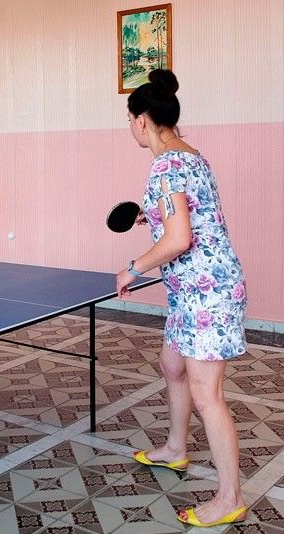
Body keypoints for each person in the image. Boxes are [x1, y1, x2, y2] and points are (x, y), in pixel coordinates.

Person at [116, 69, 247, 528]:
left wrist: (134, 267)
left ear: (142, 120)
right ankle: (175, 448)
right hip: (192, 291)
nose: (130, 126)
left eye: (129, 119)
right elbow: (188, 216)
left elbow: (179, 238)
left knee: (208, 394)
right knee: (172, 365)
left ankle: (229, 497)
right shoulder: (190, 156)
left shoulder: (165, 166)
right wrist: (150, 217)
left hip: (206, 293)